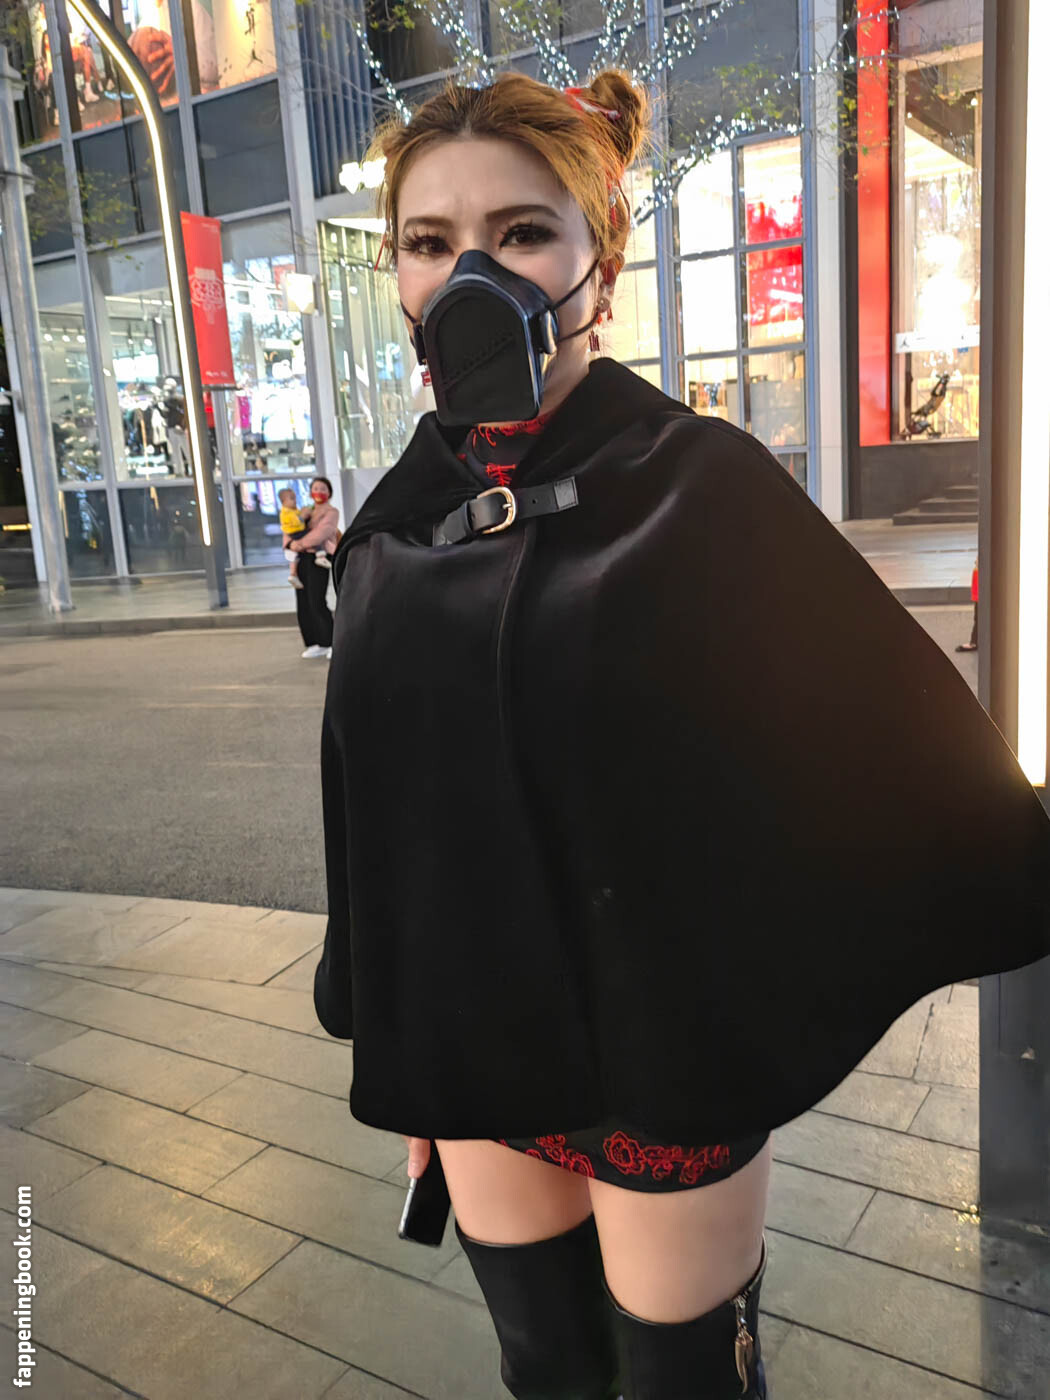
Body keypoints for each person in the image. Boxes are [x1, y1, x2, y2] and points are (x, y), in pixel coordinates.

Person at [312, 69, 1050, 1400]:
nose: (471, 273)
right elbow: (382, 811)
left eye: (520, 232)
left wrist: (763, 1002)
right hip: (480, 1051)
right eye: (429, 241)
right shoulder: (393, 518)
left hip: (660, 1061)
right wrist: (405, 1048)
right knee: (544, 1363)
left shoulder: (700, 486)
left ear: (598, 265)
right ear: (399, 277)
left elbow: (881, 747)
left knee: (682, 1378)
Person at [288, 476, 338, 659]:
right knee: (303, 602)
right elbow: (290, 528)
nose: (319, 492)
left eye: (323, 489)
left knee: (317, 599)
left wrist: (299, 544)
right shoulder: (304, 511)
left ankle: (331, 641)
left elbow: (322, 533)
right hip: (302, 558)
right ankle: (314, 642)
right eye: (315, 488)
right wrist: (291, 544)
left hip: (320, 558)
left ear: (329, 493)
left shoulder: (332, 512)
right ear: (310, 492)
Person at [278, 488, 310, 589]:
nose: (295, 501)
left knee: (294, 556)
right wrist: (303, 516)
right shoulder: (286, 512)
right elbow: (297, 521)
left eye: (295, 498)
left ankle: (293, 574)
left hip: (295, 534)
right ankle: (320, 554)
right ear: (283, 501)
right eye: (292, 498)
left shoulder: (292, 510)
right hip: (295, 533)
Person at [956, 555, 978, 652]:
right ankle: (975, 641)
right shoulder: (977, 570)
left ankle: (974, 642)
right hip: (978, 596)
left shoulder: (979, 570)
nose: (975, 561)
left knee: (979, 618)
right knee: (978, 618)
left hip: (980, 597)